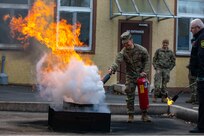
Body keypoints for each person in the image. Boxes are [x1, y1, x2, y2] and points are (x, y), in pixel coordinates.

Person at [108, 31, 151, 123]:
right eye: (124, 44)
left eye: (127, 43)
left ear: (131, 40)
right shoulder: (123, 52)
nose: (126, 45)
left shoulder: (141, 50)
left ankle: (144, 115)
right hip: (130, 76)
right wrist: (112, 68)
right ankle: (130, 115)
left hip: (141, 76)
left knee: (143, 95)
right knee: (130, 95)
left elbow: (147, 60)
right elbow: (117, 62)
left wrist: (145, 72)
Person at [189, 18, 204, 133]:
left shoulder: (202, 38)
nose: (190, 30)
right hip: (200, 74)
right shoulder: (199, 37)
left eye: (192, 28)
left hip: (202, 76)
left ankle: (201, 127)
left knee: (202, 103)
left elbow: (201, 56)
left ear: (198, 27)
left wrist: (200, 73)